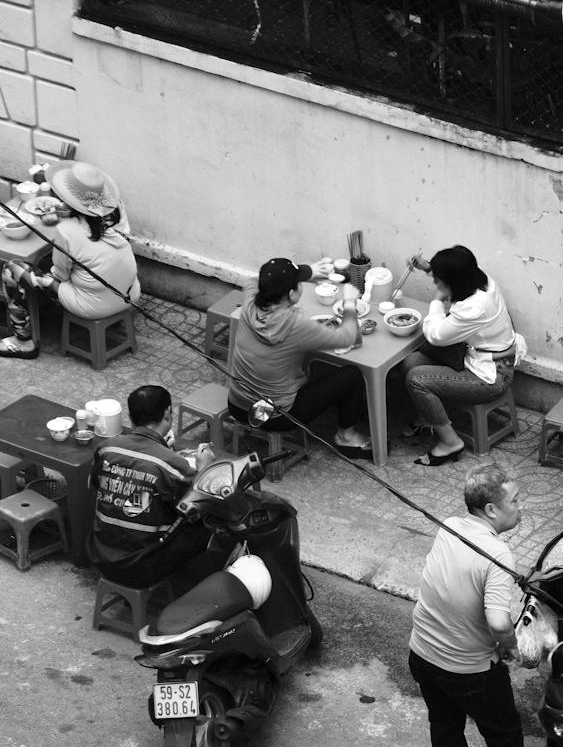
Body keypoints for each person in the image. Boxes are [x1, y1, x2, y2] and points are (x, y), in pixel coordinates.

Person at [408, 462, 554, 747]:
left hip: (423, 654)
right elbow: (500, 622)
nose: (522, 507)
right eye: (515, 500)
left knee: (445, 731)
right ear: (490, 509)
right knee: (504, 735)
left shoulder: (450, 526)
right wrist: (510, 651)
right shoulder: (496, 553)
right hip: (468, 669)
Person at [0, 163, 141, 359]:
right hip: (130, 294)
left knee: (12, 270)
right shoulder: (117, 209)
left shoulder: (67, 230)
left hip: (91, 306)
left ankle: (23, 341)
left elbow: (60, 275)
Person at [226, 258, 373, 456]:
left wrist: (308, 271)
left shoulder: (250, 301)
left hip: (237, 404)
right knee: (352, 374)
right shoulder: (296, 325)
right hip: (275, 415)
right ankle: (346, 436)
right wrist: (349, 303)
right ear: (291, 293)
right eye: (299, 283)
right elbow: (347, 337)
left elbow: (254, 279)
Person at [401, 246, 527, 467]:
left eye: (438, 280)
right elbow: (457, 273)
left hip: (491, 377)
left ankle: (450, 442)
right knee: (410, 362)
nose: (435, 283)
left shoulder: (473, 308)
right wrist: (429, 268)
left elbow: (435, 335)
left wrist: (436, 300)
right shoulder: (482, 280)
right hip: (479, 356)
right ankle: (429, 415)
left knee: (416, 379)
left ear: (452, 283)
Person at [88, 385, 220, 591]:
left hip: (100, 555)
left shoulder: (106, 448)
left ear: (131, 416)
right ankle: (195, 592)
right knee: (210, 523)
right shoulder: (173, 465)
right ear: (167, 413)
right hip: (142, 567)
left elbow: (99, 485)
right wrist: (206, 468)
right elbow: (199, 504)